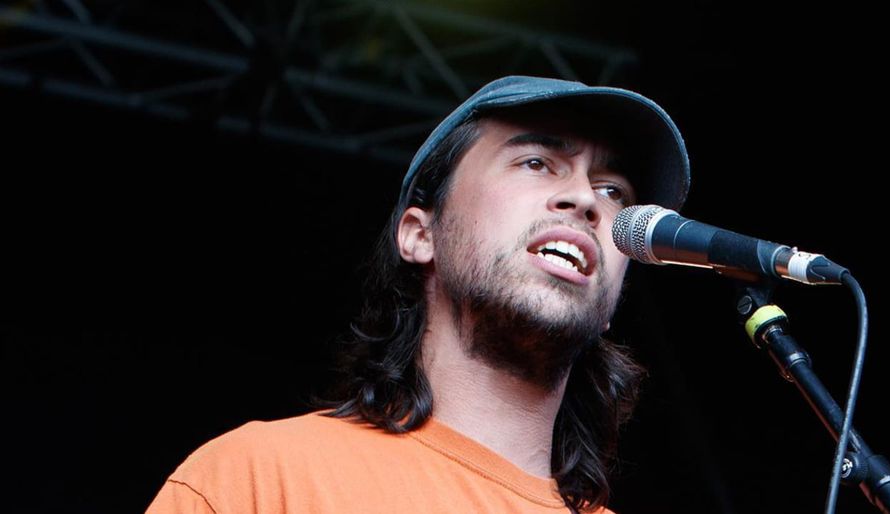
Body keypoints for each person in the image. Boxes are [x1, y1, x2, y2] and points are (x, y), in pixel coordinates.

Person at [145, 75, 691, 514]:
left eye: (613, 190)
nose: (585, 198)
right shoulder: (259, 478)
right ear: (420, 234)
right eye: (537, 163)